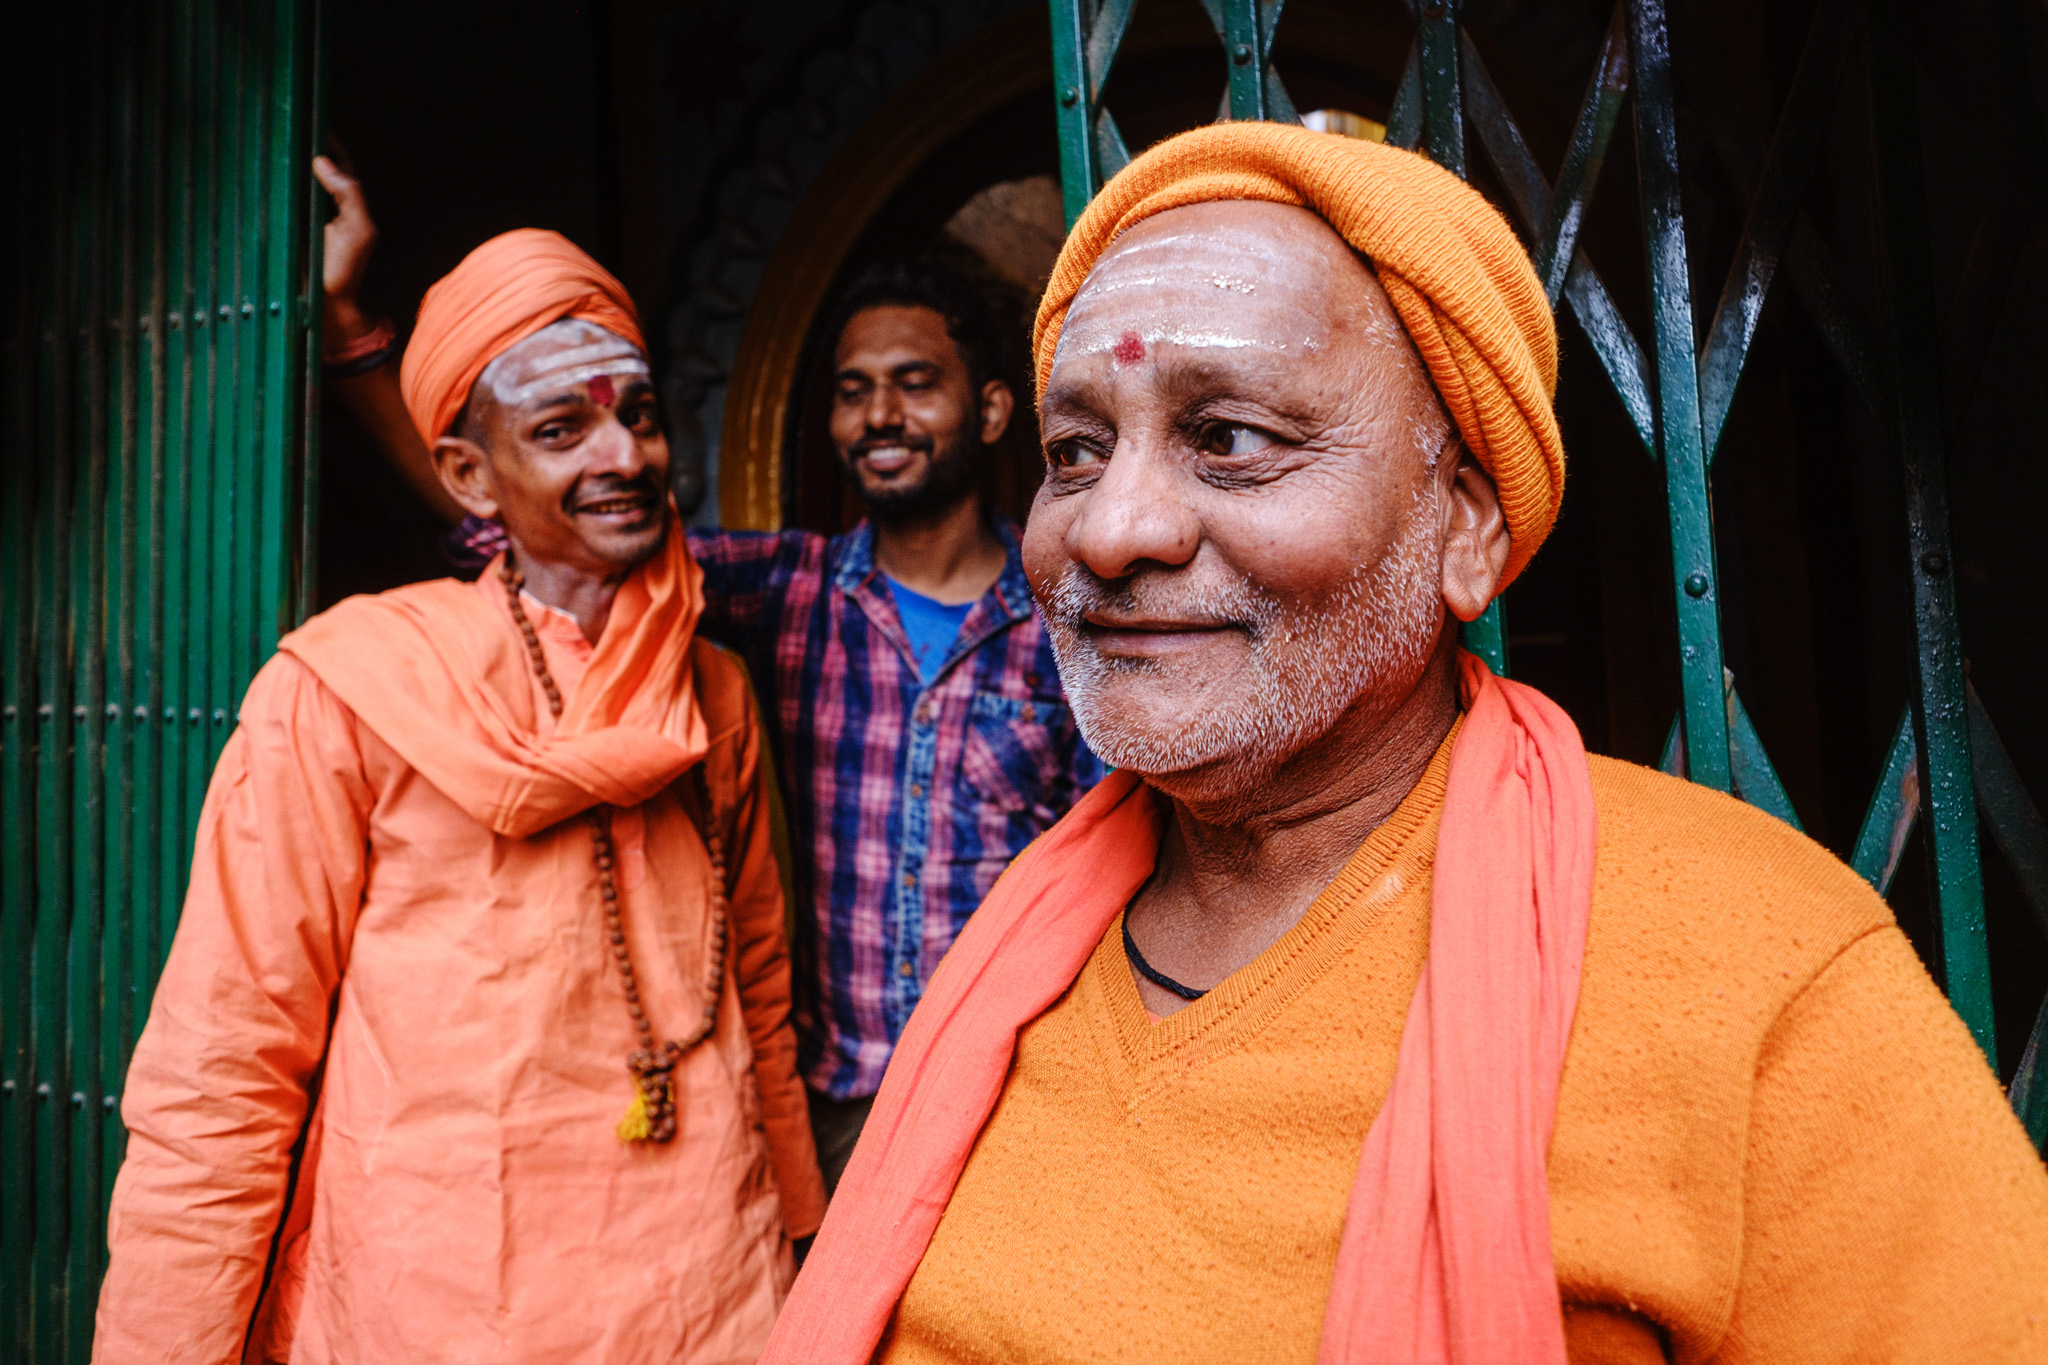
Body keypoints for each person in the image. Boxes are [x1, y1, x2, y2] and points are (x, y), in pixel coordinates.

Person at [766, 123, 2048, 1364]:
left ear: (1466, 525)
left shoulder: (1756, 965)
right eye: (1075, 452)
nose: (1110, 531)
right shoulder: (1011, 962)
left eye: (1229, 439)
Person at [95, 229, 824, 1364]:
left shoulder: (710, 688)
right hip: (439, 1312)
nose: (621, 455)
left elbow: (758, 992)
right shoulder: (348, 690)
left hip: (714, 1303)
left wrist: (804, 1242)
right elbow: (224, 1068)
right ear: (468, 476)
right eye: (559, 428)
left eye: (635, 412)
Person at [311, 159, 1104, 1191]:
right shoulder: (789, 592)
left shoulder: (1065, 629)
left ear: (993, 411)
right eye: (853, 391)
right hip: (834, 1114)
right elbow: (510, 524)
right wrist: (349, 332)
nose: (879, 415)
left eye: (915, 383)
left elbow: (1111, 874)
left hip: (1013, 1101)